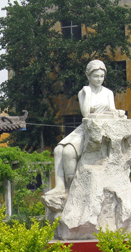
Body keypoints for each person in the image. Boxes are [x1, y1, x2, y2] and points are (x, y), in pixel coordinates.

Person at [46, 59, 124, 195]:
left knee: (68, 152)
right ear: (88, 76)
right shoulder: (84, 92)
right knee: (58, 150)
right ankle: (60, 186)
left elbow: (112, 110)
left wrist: (116, 112)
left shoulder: (108, 93)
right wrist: (88, 93)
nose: (99, 79)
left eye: (102, 76)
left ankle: (72, 188)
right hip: (86, 126)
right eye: (96, 76)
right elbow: (86, 114)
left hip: (100, 127)